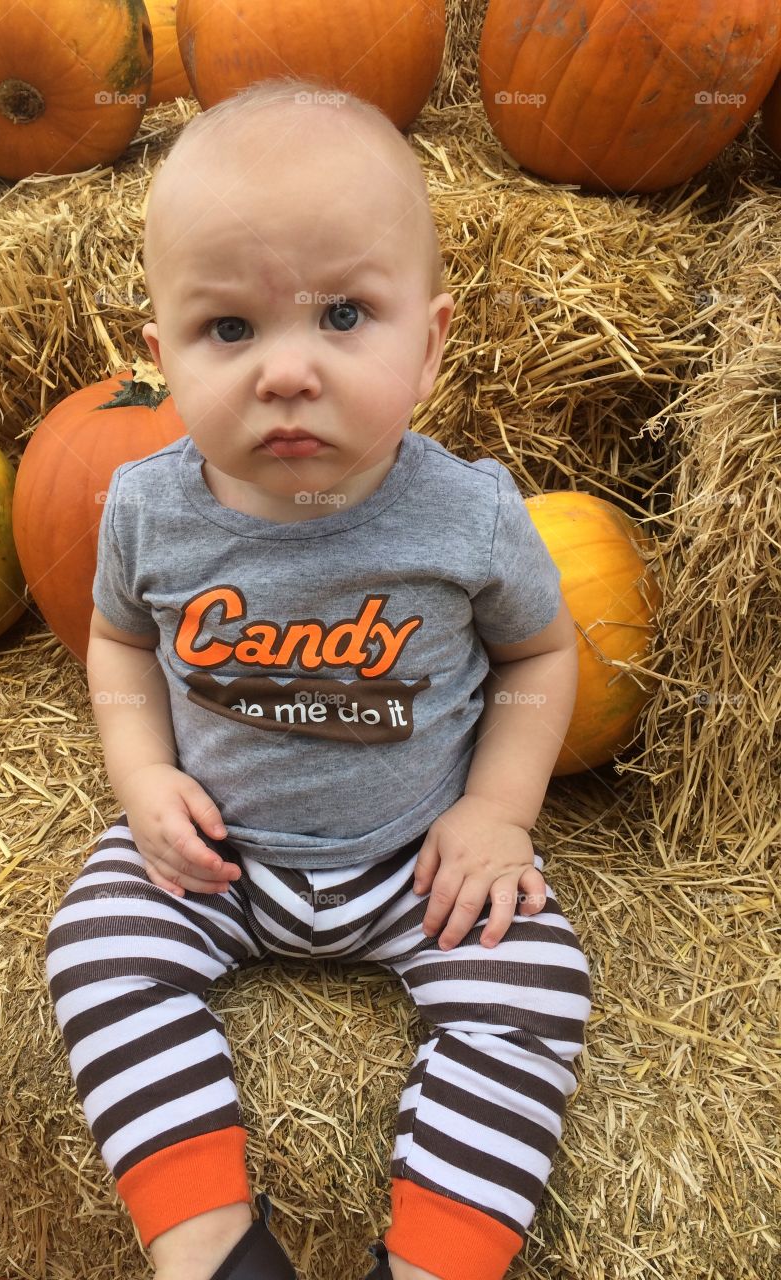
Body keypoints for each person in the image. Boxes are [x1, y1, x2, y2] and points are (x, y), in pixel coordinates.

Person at [45, 74, 593, 1280]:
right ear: (163, 355)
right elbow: (121, 642)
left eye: (344, 316)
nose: (285, 370)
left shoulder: (466, 517)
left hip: (414, 864)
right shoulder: (147, 508)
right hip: (221, 857)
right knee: (93, 940)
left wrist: (496, 813)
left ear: (432, 340)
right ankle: (216, 1249)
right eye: (229, 329)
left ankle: (436, 1257)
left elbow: (542, 653)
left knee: (541, 978)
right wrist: (141, 780)